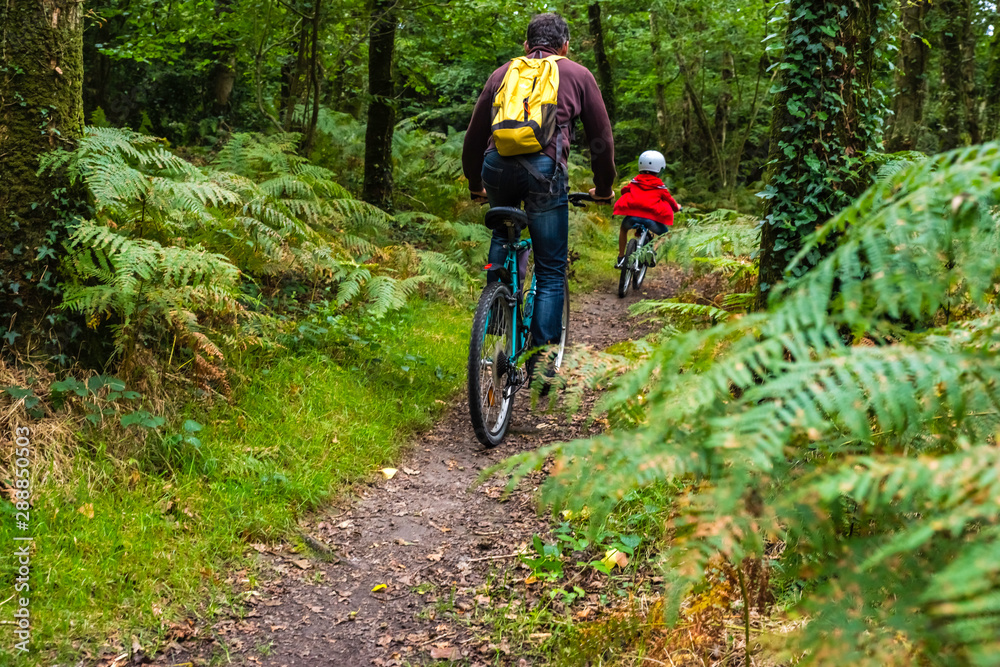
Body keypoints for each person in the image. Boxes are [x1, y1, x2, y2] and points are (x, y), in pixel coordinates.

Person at [462, 12, 616, 360]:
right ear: (566, 46)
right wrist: (603, 187)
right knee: (549, 268)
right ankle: (543, 361)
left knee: (503, 234)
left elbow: (474, 136)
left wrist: (475, 183)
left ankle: (497, 313)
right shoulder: (577, 74)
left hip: (495, 167)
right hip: (545, 173)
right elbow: (601, 140)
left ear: (527, 45)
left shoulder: (503, 73)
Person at [612, 150, 681, 268]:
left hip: (632, 218)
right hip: (650, 220)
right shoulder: (660, 186)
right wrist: (677, 208)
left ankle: (621, 257)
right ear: (660, 168)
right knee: (665, 235)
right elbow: (670, 201)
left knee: (623, 229)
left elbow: (624, 190)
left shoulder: (635, 181)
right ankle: (652, 250)